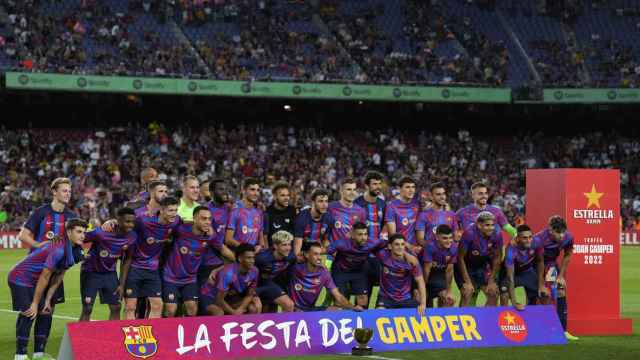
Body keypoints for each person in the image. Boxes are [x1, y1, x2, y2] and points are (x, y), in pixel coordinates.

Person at [8, 218, 87, 360]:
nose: (82, 235)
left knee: (45, 313)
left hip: (34, 281)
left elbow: (59, 276)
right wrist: (35, 303)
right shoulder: (58, 249)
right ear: (69, 232)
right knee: (29, 313)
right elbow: (45, 277)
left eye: (84, 232)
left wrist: (48, 300)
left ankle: (39, 354)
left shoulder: (73, 250)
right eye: (79, 232)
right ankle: (20, 355)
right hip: (20, 278)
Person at [119, 196, 181, 319]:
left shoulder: (176, 221)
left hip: (153, 270)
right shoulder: (143, 221)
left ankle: (151, 336)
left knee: (157, 305)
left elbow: (186, 225)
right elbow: (126, 224)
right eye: (170, 210)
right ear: (162, 210)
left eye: (175, 210)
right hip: (135, 268)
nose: (173, 214)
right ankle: (131, 337)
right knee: (130, 306)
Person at [163, 206, 226, 317]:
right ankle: (167, 333)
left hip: (190, 279)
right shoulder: (181, 229)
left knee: (192, 309)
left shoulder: (210, 236)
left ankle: (187, 334)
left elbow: (222, 249)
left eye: (209, 219)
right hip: (171, 277)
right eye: (203, 219)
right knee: (171, 310)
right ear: (195, 219)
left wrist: (236, 260)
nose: (207, 222)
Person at [79, 208, 137, 321]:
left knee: (116, 307)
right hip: (91, 272)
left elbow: (127, 259)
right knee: (87, 308)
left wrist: (121, 283)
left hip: (110, 274)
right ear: (118, 220)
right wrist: (80, 255)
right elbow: (79, 239)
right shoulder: (101, 233)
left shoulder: (132, 237)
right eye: (127, 221)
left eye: (132, 222)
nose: (130, 225)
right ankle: (79, 338)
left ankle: (113, 337)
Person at [534, 216, 579, 340]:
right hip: (535, 265)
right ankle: (539, 329)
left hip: (551, 265)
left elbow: (568, 255)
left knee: (560, 291)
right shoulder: (540, 239)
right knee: (541, 295)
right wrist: (541, 283)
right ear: (550, 229)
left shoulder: (568, 237)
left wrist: (561, 276)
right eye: (558, 232)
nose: (561, 236)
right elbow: (539, 261)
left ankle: (563, 330)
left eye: (563, 232)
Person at [289, 242, 362, 312]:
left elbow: (338, 295)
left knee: (337, 310)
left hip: (311, 309)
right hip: (295, 309)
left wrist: (353, 307)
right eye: (315, 254)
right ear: (306, 254)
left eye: (320, 254)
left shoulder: (324, 273)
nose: (319, 258)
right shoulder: (295, 268)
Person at [327, 222, 385, 308]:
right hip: (341, 271)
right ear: (352, 235)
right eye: (360, 234)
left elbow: (391, 243)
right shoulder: (341, 243)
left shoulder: (372, 242)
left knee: (363, 300)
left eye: (365, 234)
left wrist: (407, 254)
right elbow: (325, 251)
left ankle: (361, 319)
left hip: (359, 271)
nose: (363, 238)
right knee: (339, 302)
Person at [456, 211, 503, 307]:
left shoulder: (497, 233)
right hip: (466, 266)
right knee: (467, 292)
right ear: (479, 225)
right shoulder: (469, 233)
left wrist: (491, 281)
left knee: (493, 292)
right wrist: (468, 282)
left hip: (483, 265)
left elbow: (498, 257)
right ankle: (462, 319)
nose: (491, 228)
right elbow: (460, 258)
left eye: (492, 225)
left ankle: (485, 320)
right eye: (487, 225)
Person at [201, 244, 261, 315]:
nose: (252, 261)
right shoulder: (228, 274)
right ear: (240, 258)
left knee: (253, 307)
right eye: (248, 258)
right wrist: (234, 313)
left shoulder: (255, 271)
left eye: (253, 258)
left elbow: (250, 294)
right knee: (218, 313)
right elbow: (219, 300)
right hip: (210, 296)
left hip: (228, 297)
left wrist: (240, 309)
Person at [375, 234, 427, 315]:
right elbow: (370, 244)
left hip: (405, 299)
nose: (400, 247)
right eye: (396, 244)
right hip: (385, 298)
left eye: (402, 244)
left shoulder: (412, 261)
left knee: (420, 314)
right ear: (389, 246)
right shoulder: (382, 255)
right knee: (378, 314)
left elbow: (420, 281)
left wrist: (423, 304)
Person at [502, 224, 547, 311]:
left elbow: (540, 261)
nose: (528, 240)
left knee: (541, 294)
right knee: (504, 294)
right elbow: (510, 277)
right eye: (525, 238)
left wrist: (541, 284)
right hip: (511, 274)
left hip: (527, 271)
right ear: (518, 238)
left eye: (530, 237)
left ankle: (533, 319)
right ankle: (503, 319)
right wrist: (514, 302)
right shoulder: (511, 250)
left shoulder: (537, 242)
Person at [255, 230, 296, 312]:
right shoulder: (261, 258)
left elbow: (290, 275)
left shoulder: (291, 257)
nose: (288, 248)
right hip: (254, 286)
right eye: (284, 245)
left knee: (289, 305)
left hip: (269, 284)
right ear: (275, 246)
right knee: (256, 308)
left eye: (289, 244)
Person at [420, 224, 457, 308]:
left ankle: (443, 319)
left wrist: (449, 291)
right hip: (422, 276)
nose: (448, 241)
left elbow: (449, 271)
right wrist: (423, 290)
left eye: (450, 238)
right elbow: (426, 270)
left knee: (449, 300)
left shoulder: (454, 248)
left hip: (438, 275)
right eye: (445, 238)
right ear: (437, 237)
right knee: (421, 298)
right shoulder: (430, 247)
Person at [225, 178, 266, 252]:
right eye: (252, 190)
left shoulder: (259, 212)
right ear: (243, 190)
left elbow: (261, 240)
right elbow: (228, 239)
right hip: (238, 254)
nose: (256, 193)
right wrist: (247, 250)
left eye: (258, 190)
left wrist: (259, 246)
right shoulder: (234, 209)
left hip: (254, 255)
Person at [385, 176, 421, 253]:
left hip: (417, 249)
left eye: (413, 187)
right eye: (407, 187)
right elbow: (392, 235)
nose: (411, 190)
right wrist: (410, 247)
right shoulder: (391, 206)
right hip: (400, 249)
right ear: (399, 188)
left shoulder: (417, 204)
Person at [293, 188, 331, 258]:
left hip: (318, 253)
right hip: (304, 255)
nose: (324, 205)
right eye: (320, 201)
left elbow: (326, 241)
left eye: (326, 201)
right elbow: (297, 254)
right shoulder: (302, 219)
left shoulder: (328, 217)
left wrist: (324, 249)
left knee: (330, 258)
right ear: (313, 202)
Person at [264, 182, 296, 247]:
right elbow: (265, 237)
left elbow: (296, 233)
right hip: (273, 251)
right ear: (275, 196)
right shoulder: (267, 212)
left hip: (289, 249)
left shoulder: (293, 210)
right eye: (283, 195)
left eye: (288, 195)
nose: (286, 198)